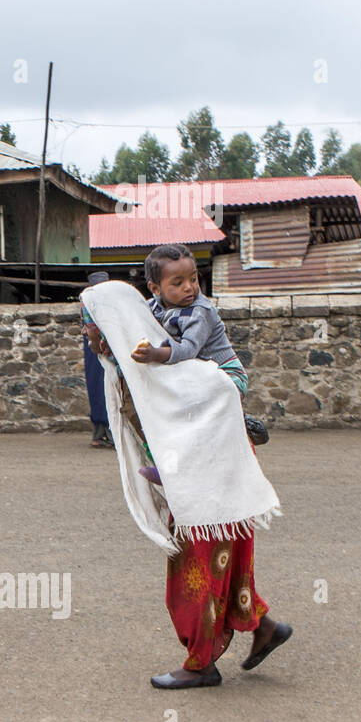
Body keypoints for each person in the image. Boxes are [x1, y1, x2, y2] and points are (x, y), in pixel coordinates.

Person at [81, 278, 291, 690]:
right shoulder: (134, 364)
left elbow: (217, 391)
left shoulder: (171, 362)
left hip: (212, 483)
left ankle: (201, 664)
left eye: (89, 324)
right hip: (218, 480)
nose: (84, 332)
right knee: (224, 565)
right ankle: (263, 627)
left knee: (193, 573)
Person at [127, 243, 267, 483]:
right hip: (196, 376)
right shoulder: (153, 307)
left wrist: (154, 354)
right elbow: (136, 318)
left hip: (226, 374)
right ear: (155, 289)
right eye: (178, 283)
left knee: (192, 419)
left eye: (193, 279)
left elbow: (188, 349)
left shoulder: (199, 312)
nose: (189, 287)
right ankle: (166, 461)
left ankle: (237, 426)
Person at [83, 272, 113, 449]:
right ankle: (106, 433)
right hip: (99, 351)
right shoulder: (90, 304)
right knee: (100, 389)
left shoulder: (89, 303)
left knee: (101, 389)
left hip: (99, 351)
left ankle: (101, 433)